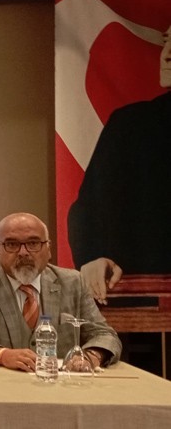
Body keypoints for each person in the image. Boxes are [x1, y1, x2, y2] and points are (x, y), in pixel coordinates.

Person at [69, 23, 171, 304]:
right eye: (166, 41)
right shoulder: (131, 125)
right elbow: (89, 208)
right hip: (139, 301)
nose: (166, 54)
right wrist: (93, 256)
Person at [0, 212, 122, 371]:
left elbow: (105, 335)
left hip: (61, 385)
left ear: (48, 248)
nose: (23, 252)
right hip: (1, 384)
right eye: (11, 244)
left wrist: (90, 357)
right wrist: (1, 355)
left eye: (33, 243)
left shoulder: (73, 282)